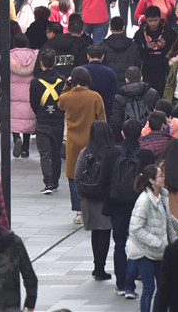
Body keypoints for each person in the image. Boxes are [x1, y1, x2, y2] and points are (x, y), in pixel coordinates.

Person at [99, 119, 156, 297]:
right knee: (137, 243)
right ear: (140, 134)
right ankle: (131, 286)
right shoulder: (146, 155)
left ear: (122, 133)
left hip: (117, 204)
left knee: (120, 244)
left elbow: (103, 180)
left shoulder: (111, 153)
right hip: (139, 204)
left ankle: (121, 284)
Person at [126, 164, 178, 308]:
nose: (163, 178)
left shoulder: (162, 196)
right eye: (160, 175)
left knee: (163, 287)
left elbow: (167, 217)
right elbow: (135, 229)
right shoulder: (144, 201)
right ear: (151, 180)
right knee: (149, 288)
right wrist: (157, 242)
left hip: (159, 251)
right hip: (144, 251)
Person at [59, 66, 107, 224]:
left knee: (73, 175)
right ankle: (92, 208)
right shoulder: (95, 97)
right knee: (93, 172)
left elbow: (60, 101)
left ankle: (78, 211)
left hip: (73, 142)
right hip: (92, 141)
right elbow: (102, 120)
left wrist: (67, 84)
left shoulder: (67, 98)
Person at [74, 120, 115, 280]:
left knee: (95, 232)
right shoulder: (112, 153)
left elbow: (77, 175)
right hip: (106, 199)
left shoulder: (85, 152)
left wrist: (81, 194)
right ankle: (101, 267)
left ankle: (97, 266)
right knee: (104, 232)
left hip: (89, 197)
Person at [30, 48, 66, 194]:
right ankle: (56, 181)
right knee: (56, 152)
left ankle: (48, 182)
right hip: (58, 120)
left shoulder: (35, 82)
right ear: (55, 63)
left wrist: (39, 113)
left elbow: (33, 103)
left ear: (41, 64)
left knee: (44, 153)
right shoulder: (62, 81)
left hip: (42, 121)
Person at [133, 5, 176, 97]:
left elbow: (175, 48)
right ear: (146, 19)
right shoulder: (140, 32)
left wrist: (166, 45)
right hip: (147, 69)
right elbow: (136, 51)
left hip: (164, 68)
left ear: (160, 18)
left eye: (155, 20)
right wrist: (145, 46)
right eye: (150, 21)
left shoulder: (168, 31)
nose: (153, 23)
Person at [9, 34, 37, 159]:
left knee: (14, 117)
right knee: (27, 119)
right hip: (29, 91)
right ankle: (25, 148)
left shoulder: (9, 55)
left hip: (13, 92)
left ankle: (16, 138)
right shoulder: (34, 55)